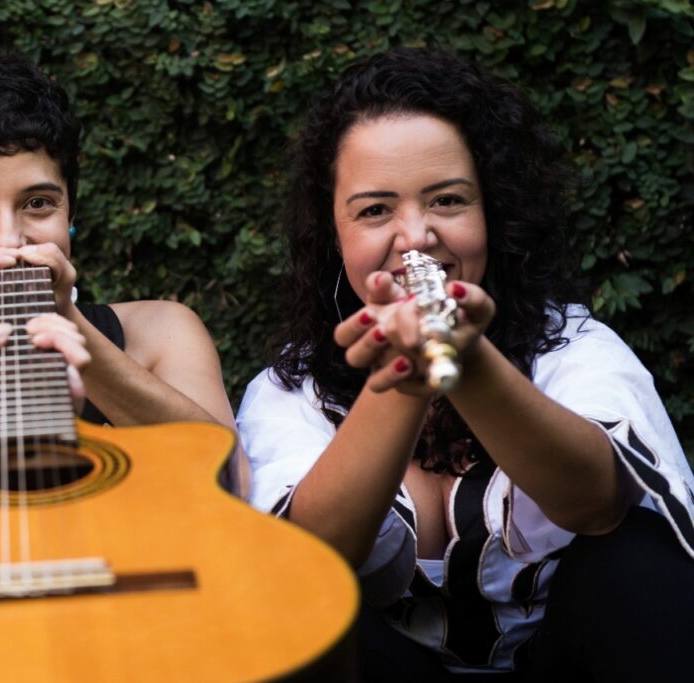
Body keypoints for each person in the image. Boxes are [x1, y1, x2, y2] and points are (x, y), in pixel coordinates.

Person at [236, 47, 694, 680]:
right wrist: (400, 380)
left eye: (447, 201)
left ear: (492, 212)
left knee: (636, 556)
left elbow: (596, 505)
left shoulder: (573, 348)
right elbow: (304, 559)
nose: (416, 236)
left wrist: (466, 357)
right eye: (375, 210)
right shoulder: (291, 392)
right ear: (333, 234)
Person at [0, 53, 249, 496]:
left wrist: (70, 327)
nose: (9, 241)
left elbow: (233, 484)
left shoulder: (164, 331)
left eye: (37, 203)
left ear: (70, 205)